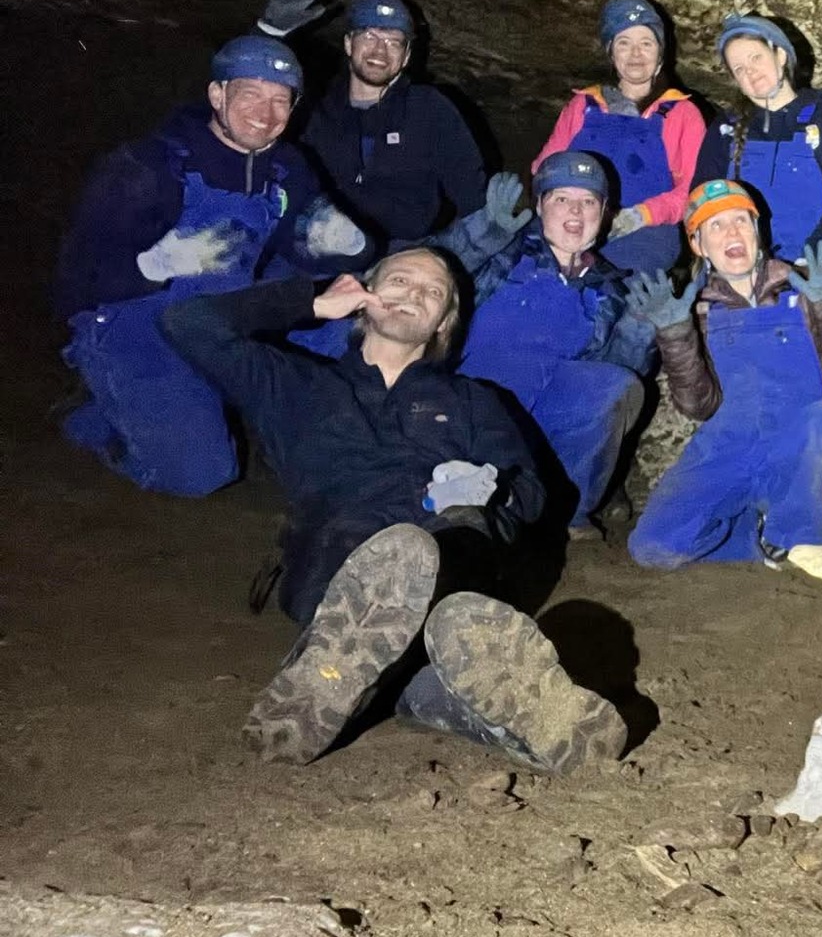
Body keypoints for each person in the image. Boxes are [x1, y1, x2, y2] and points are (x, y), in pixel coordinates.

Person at [159, 249, 624, 773]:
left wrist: (488, 490)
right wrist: (312, 302)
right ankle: (436, 678)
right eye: (400, 280)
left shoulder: (473, 401)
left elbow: (530, 494)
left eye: (433, 292)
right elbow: (186, 323)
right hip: (340, 565)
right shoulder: (295, 385)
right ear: (364, 295)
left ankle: (336, 681)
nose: (414, 294)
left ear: (444, 321)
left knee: (454, 551)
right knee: (407, 579)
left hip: (456, 563)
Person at [54, 34, 368, 497]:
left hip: (225, 312)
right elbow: (79, 280)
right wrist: (153, 266)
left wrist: (335, 242)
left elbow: (294, 245)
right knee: (201, 476)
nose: (266, 114)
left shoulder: (287, 167)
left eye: (280, 100)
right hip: (136, 320)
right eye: (250, 94)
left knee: (349, 323)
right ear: (217, 95)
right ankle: (97, 420)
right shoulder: (148, 167)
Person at [432, 153, 681, 537]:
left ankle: (564, 512)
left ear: (605, 214)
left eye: (588, 201)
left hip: (537, 429)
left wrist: (639, 327)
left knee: (617, 386)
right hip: (459, 415)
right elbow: (425, 271)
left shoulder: (609, 289)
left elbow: (612, 376)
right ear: (540, 205)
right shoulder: (503, 249)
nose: (575, 211)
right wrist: (484, 231)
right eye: (562, 198)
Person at [628, 180, 822, 567]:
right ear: (699, 245)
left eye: (741, 220)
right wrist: (675, 335)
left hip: (797, 448)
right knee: (652, 547)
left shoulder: (805, 286)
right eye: (716, 225)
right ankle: (756, 537)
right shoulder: (693, 308)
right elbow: (699, 407)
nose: (732, 233)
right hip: (727, 448)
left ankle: (794, 535)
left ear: (758, 230)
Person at [289, 0, 489, 243]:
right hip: (321, 246)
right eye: (370, 37)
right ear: (349, 43)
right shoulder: (314, 107)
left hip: (401, 251)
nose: (380, 51)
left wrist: (487, 238)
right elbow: (250, 116)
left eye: (393, 43)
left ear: (406, 56)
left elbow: (470, 192)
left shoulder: (429, 108)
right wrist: (268, 31)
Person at [532, 0, 704, 272]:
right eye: (624, 43)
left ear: (660, 54)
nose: (636, 54)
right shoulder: (583, 105)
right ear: (611, 53)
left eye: (646, 43)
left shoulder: (682, 114)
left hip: (644, 242)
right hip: (575, 231)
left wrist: (640, 215)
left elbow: (694, 190)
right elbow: (545, 169)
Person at [693, 14, 822, 266]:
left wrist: (808, 267)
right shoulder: (725, 128)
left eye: (756, 57)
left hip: (813, 269)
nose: (750, 71)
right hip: (743, 270)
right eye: (739, 69)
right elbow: (703, 204)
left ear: (781, 55)